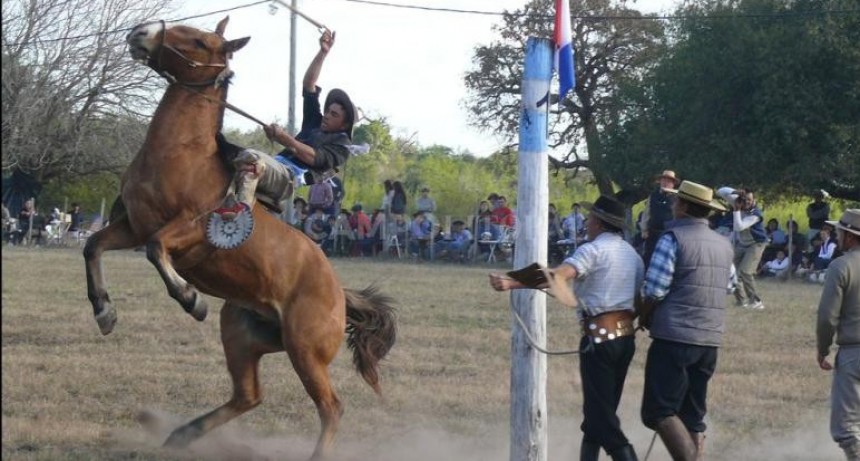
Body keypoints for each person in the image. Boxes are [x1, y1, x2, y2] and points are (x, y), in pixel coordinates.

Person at [489, 195, 644, 461]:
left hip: (600, 342)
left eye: (590, 218)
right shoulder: (633, 256)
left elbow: (559, 275)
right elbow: (638, 301)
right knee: (599, 415)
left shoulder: (591, 251)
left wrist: (511, 284)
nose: (587, 222)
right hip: (625, 339)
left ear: (598, 222)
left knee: (601, 420)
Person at [638, 180, 734, 461]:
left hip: (675, 336)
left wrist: (644, 316)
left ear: (683, 207)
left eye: (676, 200)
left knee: (659, 410)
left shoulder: (672, 238)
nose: (671, 204)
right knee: (692, 414)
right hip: (709, 339)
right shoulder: (723, 244)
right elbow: (729, 285)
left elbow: (654, 289)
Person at [216, 29, 356, 219]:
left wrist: (284, 138)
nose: (327, 116)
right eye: (327, 111)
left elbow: (313, 158)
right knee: (226, 151)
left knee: (251, 158)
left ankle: (241, 215)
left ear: (343, 124)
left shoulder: (342, 146)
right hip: (274, 165)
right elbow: (309, 85)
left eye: (333, 114)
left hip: (287, 179)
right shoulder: (315, 122)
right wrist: (323, 52)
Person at [816, 209, 860, 461]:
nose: (837, 235)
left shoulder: (841, 266)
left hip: (854, 352)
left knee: (846, 428)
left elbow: (827, 317)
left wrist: (822, 350)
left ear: (850, 237)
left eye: (840, 232)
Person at [730, 188, 768, 310]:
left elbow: (739, 227)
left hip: (756, 243)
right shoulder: (738, 201)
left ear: (754, 200)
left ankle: (756, 302)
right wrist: (734, 191)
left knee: (746, 271)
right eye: (745, 199)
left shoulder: (756, 214)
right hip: (743, 243)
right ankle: (741, 301)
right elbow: (720, 191)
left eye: (750, 200)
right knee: (732, 270)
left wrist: (736, 210)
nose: (747, 202)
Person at [641, 170, 681, 267]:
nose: (665, 183)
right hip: (653, 233)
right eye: (664, 180)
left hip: (669, 234)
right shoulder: (653, 196)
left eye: (668, 181)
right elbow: (647, 213)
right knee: (648, 258)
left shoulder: (677, 198)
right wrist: (644, 230)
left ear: (672, 184)